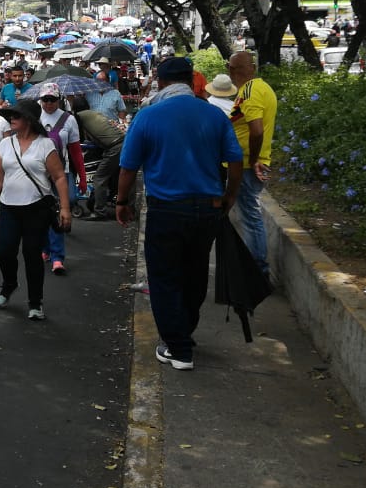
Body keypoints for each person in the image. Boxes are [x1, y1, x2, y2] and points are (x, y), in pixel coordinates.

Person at [115, 57, 243, 370]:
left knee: (164, 277)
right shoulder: (214, 115)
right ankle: (183, 332)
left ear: (160, 82)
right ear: (191, 80)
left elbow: (128, 167)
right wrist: (230, 196)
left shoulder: (148, 116)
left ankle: (179, 347)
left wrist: (122, 201)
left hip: (167, 209)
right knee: (195, 273)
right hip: (207, 208)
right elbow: (235, 161)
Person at [0, 99, 71, 321]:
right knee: (4, 251)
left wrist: (65, 207)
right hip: (9, 207)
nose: (12, 118)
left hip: (36, 209)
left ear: (30, 120)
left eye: (17, 115)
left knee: (32, 255)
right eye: (11, 115)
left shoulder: (45, 145)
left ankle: (35, 301)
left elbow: (59, 177)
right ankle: (9, 284)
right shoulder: (5, 144)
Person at [227, 51, 278, 281]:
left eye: (233, 69)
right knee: (249, 216)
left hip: (248, 164)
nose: (232, 73)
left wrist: (254, 158)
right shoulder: (262, 88)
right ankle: (255, 268)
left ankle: (257, 271)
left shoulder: (250, 91)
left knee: (250, 217)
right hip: (248, 162)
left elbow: (256, 130)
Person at [36, 83, 85, 275]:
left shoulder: (69, 120)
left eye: (52, 100)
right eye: (45, 100)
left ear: (59, 100)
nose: (48, 104)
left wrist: (81, 176)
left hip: (61, 172)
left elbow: (75, 150)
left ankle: (54, 253)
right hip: (39, 173)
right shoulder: (34, 117)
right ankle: (53, 253)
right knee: (44, 213)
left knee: (62, 207)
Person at [71, 94, 126, 220]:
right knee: (116, 176)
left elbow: (79, 138)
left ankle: (99, 212)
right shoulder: (95, 113)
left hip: (114, 147)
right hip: (123, 143)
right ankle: (116, 200)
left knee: (99, 178)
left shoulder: (78, 117)